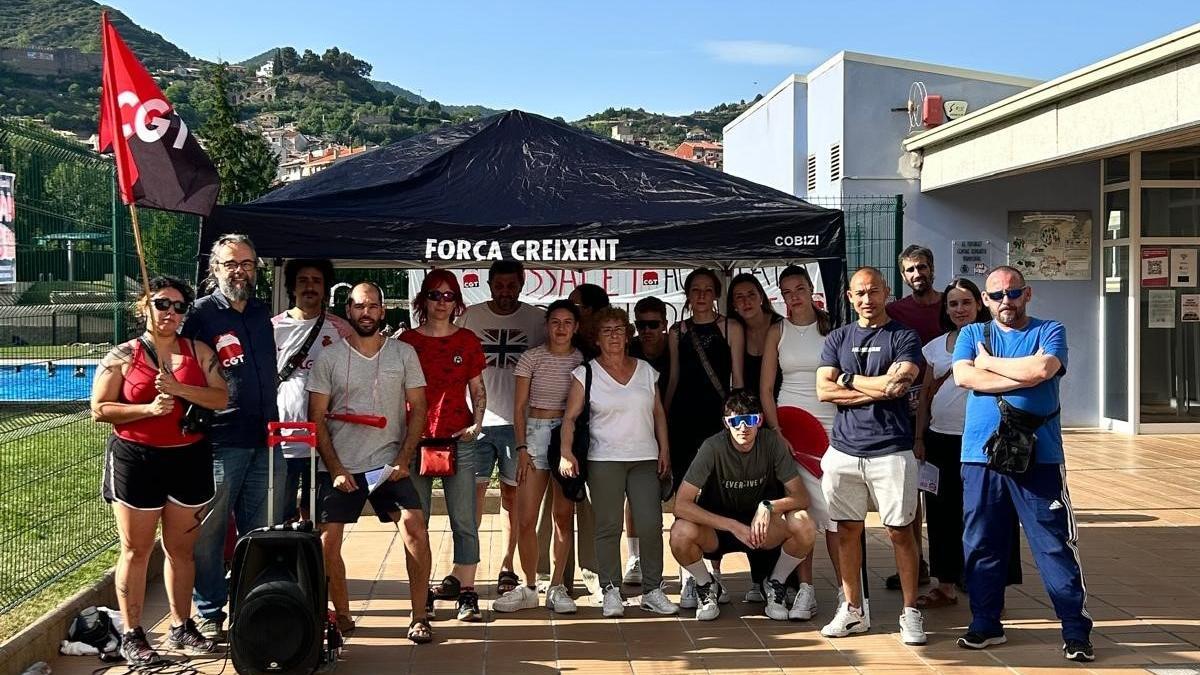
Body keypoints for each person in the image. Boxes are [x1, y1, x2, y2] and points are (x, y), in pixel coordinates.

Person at [952, 266, 1093, 662]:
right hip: (980, 457)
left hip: (1039, 455)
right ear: (985, 300)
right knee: (982, 543)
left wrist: (990, 366)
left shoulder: (1051, 330)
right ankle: (985, 624)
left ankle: (1075, 631)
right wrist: (1020, 374)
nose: (1005, 302)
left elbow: (1042, 370)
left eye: (1013, 293)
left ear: (1027, 294)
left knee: (1053, 545)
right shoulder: (972, 334)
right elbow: (964, 378)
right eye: (996, 296)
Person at [91, 276, 227, 664]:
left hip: (188, 458)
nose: (170, 312)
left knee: (182, 550)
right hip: (137, 459)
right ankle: (133, 633)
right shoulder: (122, 355)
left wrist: (181, 390)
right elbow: (100, 408)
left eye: (180, 306)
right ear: (143, 308)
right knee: (136, 549)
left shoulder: (199, 352)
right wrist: (147, 410)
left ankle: (182, 625)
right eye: (162, 304)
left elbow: (220, 396)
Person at [307, 282, 433, 643]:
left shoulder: (403, 353)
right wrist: (335, 470)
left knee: (415, 528)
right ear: (349, 310)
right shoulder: (329, 357)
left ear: (383, 311)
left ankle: (419, 615)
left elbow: (420, 408)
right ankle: (343, 616)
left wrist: (403, 460)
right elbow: (316, 416)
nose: (367, 313)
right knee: (327, 542)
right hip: (340, 466)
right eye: (360, 306)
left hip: (387, 464)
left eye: (373, 306)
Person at [816, 266, 926, 645]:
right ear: (849, 297)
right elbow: (823, 391)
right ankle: (853, 610)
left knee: (900, 532)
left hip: (892, 450)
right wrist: (875, 388)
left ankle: (911, 612)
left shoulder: (904, 336)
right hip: (843, 450)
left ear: (886, 293)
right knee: (847, 529)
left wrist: (847, 380)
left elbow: (901, 383)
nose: (867, 299)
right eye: (860, 293)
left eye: (874, 291)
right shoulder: (837, 338)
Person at [183, 233, 281, 640]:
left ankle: (250, 605)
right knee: (210, 531)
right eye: (230, 264)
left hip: (264, 437)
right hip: (221, 438)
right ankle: (209, 610)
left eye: (246, 263)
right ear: (214, 270)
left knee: (258, 530)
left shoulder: (261, 311)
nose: (239, 270)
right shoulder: (201, 315)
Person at [559, 307, 678, 618]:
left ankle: (653, 590)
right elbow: (569, 419)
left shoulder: (646, 370)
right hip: (604, 458)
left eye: (619, 329)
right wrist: (566, 452)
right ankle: (610, 589)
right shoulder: (586, 373)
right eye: (606, 330)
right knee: (608, 526)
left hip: (644, 457)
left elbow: (659, 415)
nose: (613, 335)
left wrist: (664, 449)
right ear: (596, 339)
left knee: (651, 524)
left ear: (628, 335)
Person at [914, 279, 1024, 611]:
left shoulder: (996, 341)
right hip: (940, 441)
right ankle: (945, 584)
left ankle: (991, 586)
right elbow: (924, 396)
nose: (959, 309)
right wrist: (919, 437)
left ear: (979, 303)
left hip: (986, 443)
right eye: (953, 304)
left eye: (965, 302)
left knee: (990, 514)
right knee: (941, 515)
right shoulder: (935, 347)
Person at [669, 391, 817, 622]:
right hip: (718, 531)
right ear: (726, 424)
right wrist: (731, 525)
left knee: (804, 523)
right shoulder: (712, 447)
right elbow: (681, 505)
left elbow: (801, 497)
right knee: (679, 533)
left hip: (761, 530)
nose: (743, 428)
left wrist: (768, 506)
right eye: (735, 421)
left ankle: (776, 584)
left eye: (749, 420)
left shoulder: (772, 444)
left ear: (759, 421)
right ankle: (705, 584)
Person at [398, 270, 486, 622]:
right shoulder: (405, 341)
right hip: (415, 441)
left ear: (458, 302)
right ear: (423, 300)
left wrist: (477, 423)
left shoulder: (467, 340)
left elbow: (478, 389)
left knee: (464, 520)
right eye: (435, 295)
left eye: (449, 296)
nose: (441, 303)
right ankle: (422, 595)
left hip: (457, 440)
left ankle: (467, 591)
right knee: (416, 523)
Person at [759, 264, 842, 615]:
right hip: (790, 429)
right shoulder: (777, 332)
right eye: (787, 292)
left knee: (837, 515)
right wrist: (777, 431)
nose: (793, 298)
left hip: (831, 426)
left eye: (799, 289)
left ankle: (847, 592)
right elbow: (765, 388)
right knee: (801, 511)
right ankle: (805, 589)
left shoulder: (834, 328)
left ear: (811, 290)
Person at [460, 261, 546, 597]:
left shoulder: (536, 320)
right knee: (473, 496)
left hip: (518, 424)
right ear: (489, 284)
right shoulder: (471, 318)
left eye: (512, 285)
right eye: (500, 285)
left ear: (522, 284)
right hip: (476, 423)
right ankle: (469, 565)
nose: (505, 292)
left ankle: (507, 565)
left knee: (512, 496)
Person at [494, 300, 583, 614]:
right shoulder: (531, 358)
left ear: (576, 327)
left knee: (562, 517)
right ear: (547, 325)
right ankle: (530, 586)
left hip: (567, 437)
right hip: (534, 433)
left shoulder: (582, 360)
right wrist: (520, 448)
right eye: (555, 322)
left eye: (567, 322)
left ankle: (557, 586)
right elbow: (519, 407)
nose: (561, 328)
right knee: (527, 518)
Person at [667, 267, 743, 608]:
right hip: (683, 421)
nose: (701, 295)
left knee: (715, 495)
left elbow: (737, 380)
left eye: (707, 289)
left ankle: (716, 573)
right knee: (685, 496)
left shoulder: (731, 327)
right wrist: (664, 426)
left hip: (718, 421)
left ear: (716, 293)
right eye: (695, 289)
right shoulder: (677, 331)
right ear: (687, 294)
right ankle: (689, 577)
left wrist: (738, 424)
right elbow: (673, 379)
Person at [273, 259, 351, 522]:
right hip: (282, 439)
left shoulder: (341, 330)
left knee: (319, 516)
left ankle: (313, 562)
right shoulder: (272, 328)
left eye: (316, 281)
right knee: (277, 513)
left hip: (325, 443)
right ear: (292, 287)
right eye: (303, 280)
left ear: (325, 287)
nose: (310, 287)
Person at [884, 244, 942, 590]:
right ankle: (916, 563)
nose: (917, 274)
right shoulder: (895, 312)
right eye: (910, 270)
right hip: (906, 413)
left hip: (949, 412)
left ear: (931, 268)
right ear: (903, 275)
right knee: (913, 490)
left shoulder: (953, 305)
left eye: (921, 267)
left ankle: (951, 567)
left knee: (947, 493)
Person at [622, 294, 671, 585]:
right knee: (634, 494)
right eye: (642, 325)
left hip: (675, 422)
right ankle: (635, 557)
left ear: (665, 324)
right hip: (637, 427)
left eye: (654, 324)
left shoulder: (675, 346)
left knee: (677, 492)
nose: (648, 331)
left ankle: (687, 565)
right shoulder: (631, 349)